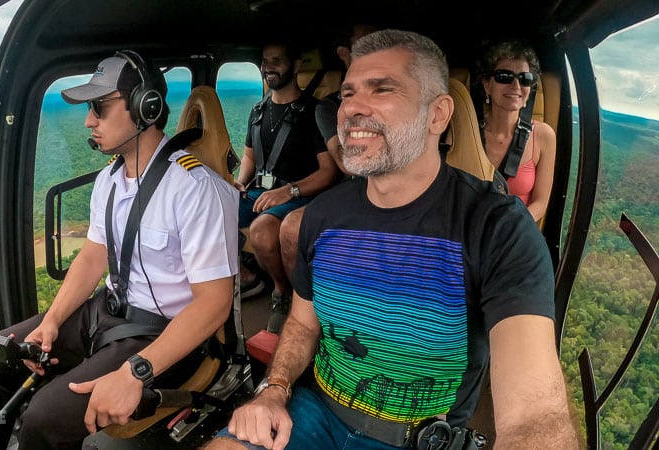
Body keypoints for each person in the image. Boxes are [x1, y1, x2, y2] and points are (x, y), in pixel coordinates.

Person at [204, 29, 579, 450]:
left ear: (438, 115)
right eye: (347, 94)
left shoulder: (497, 228)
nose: (351, 109)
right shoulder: (323, 216)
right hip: (313, 412)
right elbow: (304, 321)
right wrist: (273, 390)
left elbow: (535, 416)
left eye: (382, 90)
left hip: (417, 439)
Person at [0, 50, 239, 450]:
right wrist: (54, 320)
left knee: (43, 418)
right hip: (106, 312)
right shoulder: (110, 178)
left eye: (99, 107)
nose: (89, 120)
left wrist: (136, 372)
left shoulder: (196, 190)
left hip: (165, 337)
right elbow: (94, 255)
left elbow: (214, 304)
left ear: (146, 106)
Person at [235, 40, 339, 333]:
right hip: (262, 191)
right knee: (210, 212)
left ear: (295, 66)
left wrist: (288, 191)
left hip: (301, 194)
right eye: (265, 61)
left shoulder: (314, 112)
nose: (269, 67)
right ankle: (246, 278)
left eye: (277, 60)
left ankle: (283, 291)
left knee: (261, 231)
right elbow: (249, 156)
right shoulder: (257, 111)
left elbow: (329, 172)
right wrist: (240, 183)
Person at [278, 23, 377, 284]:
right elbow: (347, 163)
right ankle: (300, 301)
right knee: (290, 227)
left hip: (399, 188)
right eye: (367, 44)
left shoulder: (395, 99)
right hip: (355, 190)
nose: (377, 50)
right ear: (345, 54)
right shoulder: (329, 107)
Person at [476, 39, 556, 222]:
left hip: (515, 235)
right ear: (487, 85)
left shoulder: (543, 136)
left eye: (525, 79)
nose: (516, 86)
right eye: (504, 77)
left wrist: (508, 231)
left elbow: (540, 203)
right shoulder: (467, 130)